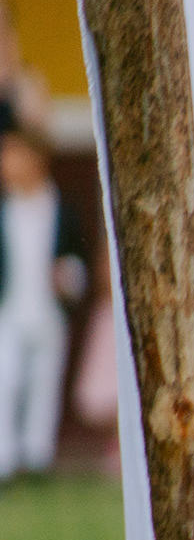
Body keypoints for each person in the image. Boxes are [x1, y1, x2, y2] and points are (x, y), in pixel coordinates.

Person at [0, 127, 90, 479]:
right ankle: (5, 459)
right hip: (8, 310)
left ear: (35, 159)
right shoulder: (4, 210)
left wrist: (67, 277)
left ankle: (37, 458)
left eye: (12, 155)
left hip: (49, 312)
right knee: (5, 380)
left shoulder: (62, 208)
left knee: (44, 384)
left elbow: (78, 260)